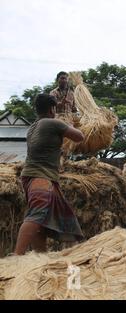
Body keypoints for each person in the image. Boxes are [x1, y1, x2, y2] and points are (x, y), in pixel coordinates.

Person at [14, 94, 85, 255]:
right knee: (37, 214)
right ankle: (16, 257)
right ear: (52, 109)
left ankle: (41, 255)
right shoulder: (54, 123)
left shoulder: (32, 128)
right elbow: (80, 137)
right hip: (41, 176)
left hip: (33, 176)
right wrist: (68, 123)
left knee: (57, 216)